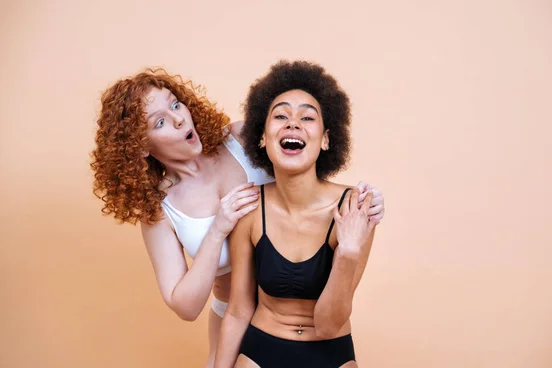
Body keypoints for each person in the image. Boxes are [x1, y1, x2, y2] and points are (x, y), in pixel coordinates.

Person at [90, 68, 385, 367]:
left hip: (304, 308)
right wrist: (217, 230)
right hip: (235, 314)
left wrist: (365, 201)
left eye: (175, 104)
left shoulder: (241, 138)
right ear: (138, 147)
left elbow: (303, 163)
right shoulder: (159, 207)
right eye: (161, 121)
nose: (179, 118)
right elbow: (186, 306)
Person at [215, 60, 381, 368]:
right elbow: (238, 310)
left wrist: (348, 251)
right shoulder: (250, 209)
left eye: (307, 117)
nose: (293, 123)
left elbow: (330, 324)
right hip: (260, 350)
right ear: (262, 138)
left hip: (330, 351)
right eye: (280, 115)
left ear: (327, 139)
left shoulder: (354, 207)